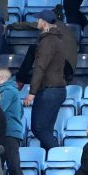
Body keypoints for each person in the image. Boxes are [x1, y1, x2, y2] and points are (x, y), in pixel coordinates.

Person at [23, 10, 68, 151]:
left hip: (49, 90)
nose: (37, 22)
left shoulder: (47, 41)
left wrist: (32, 92)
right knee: (46, 130)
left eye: (38, 20)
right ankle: (53, 160)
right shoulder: (58, 39)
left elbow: (40, 68)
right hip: (57, 89)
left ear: (43, 22)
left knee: (38, 128)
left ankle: (59, 154)